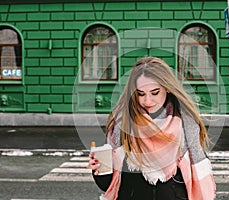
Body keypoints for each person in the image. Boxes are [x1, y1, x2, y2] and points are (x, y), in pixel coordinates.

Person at [88, 56, 216, 200]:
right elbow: (109, 185)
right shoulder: (122, 123)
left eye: (155, 92)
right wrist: (99, 168)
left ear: (167, 87)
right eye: (140, 94)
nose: (147, 101)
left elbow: (195, 178)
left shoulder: (186, 124)